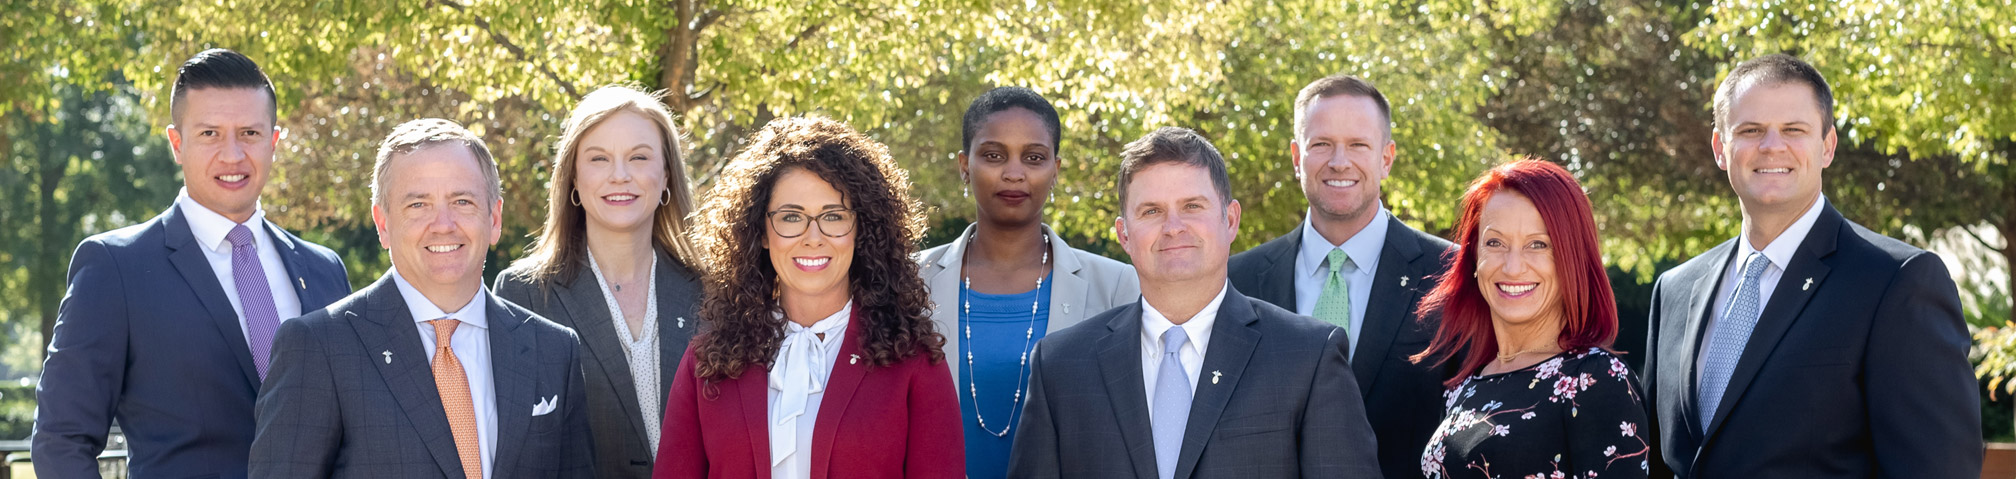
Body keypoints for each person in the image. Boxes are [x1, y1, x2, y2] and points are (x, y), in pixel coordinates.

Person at [1642, 53, 1980, 478]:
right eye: (1750, 131)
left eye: (1793, 130)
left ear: (1827, 146)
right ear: (1720, 149)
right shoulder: (1674, 289)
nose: (1771, 146)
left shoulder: (1897, 283)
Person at [31, 48, 353, 479]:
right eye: (209, 134)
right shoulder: (115, 269)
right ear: (177, 144)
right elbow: (61, 441)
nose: (233, 155)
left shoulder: (323, 269)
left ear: (274, 142)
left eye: (250, 134)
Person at [1008, 127, 1380, 479]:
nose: (1173, 227)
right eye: (1151, 211)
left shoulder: (1308, 356)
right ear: (1124, 234)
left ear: (1230, 220)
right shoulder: (1060, 366)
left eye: (1192, 206)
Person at [249, 118, 593, 477]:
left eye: (462, 201)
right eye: (418, 205)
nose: (443, 223)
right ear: (383, 224)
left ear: (494, 218)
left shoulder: (553, 350)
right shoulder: (318, 348)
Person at [655, 116, 963, 479]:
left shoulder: (914, 359)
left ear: (860, 228)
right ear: (762, 232)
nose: (813, 237)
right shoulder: (708, 360)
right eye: (791, 217)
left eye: (833, 216)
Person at [1226, 74, 1454, 478]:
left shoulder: (1450, 275)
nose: (1339, 161)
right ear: (1297, 157)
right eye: (1322, 145)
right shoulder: (1236, 280)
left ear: (1386, 157)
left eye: (1358, 145)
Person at [916, 86, 1141, 478]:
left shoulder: (1118, 287)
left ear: (1055, 169)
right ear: (964, 165)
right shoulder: (908, 283)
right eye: (993, 155)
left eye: (1034, 157)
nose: (1014, 172)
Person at [495, 85, 703, 478]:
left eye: (639, 157)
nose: (620, 176)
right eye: (599, 159)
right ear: (573, 178)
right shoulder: (524, 294)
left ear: (666, 176)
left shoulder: (715, 289)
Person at [1411, 158, 1649, 479]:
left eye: (1538, 244)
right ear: (1474, 257)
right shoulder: (1465, 385)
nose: (1512, 267)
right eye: (1495, 243)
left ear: (1572, 258)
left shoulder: (1597, 381)